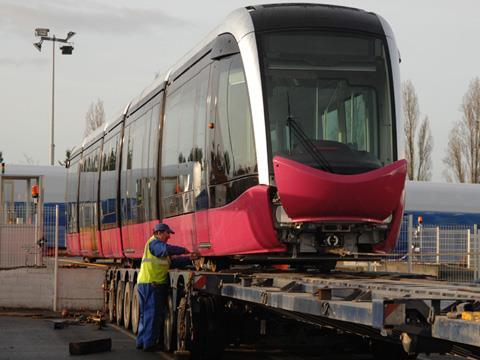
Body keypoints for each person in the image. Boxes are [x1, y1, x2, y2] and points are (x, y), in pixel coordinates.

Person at [136, 223, 191, 352]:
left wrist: (189, 259)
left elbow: (173, 262)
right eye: (167, 233)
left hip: (146, 283)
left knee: (145, 315)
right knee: (152, 315)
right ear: (159, 233)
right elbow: (167, 249)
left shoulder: (158, 247)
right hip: (152, 285)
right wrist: (184, 250)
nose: (169, 236)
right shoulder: (154, 243)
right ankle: (149, 344)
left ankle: (141, 341)